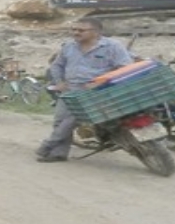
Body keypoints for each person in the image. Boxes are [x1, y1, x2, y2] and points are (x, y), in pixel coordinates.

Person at [36, 18, 133, 163]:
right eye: (74, 29)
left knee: (71, 119)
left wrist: (102, 82)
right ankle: (59, 153)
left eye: (81, 30)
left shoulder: (113, 46)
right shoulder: (69, 47)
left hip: (100, 91)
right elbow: (57, 66)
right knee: (60, 120)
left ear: (95, 32)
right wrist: (59, 82)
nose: (76, 33)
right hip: (72, 89)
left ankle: (48, 144)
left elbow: (125, 68)